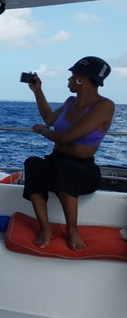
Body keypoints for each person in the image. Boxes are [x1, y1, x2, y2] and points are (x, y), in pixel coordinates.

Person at [23, 56, 114, 250]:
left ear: (82, 77)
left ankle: (72, 230)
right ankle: (45, 229)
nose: (69, 80)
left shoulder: (105, 106)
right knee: (33, 163)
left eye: (72, 75)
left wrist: (42, 131)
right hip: (57, 163)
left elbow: (66, 137)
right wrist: (38, 91)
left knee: (65, 166)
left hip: (83, 170)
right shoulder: (70, 101)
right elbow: (49, 118)